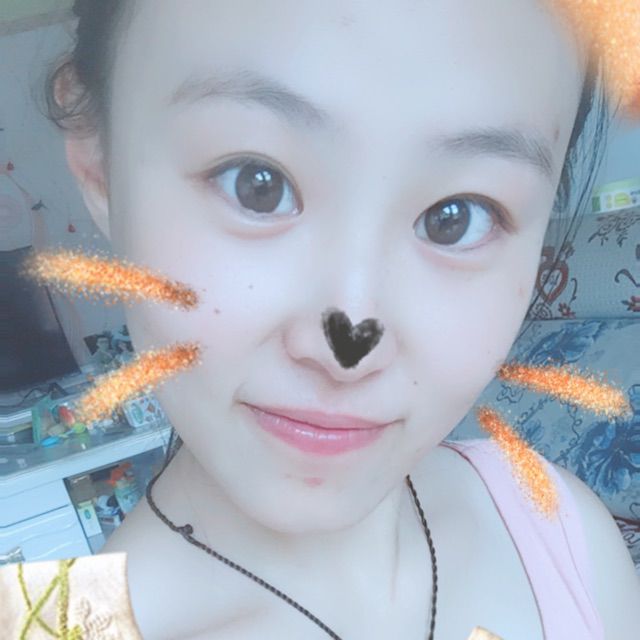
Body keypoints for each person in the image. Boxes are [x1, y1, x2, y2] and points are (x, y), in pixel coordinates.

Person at [44, 0, 639, 638]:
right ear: (98, 162)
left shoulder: (558, 527)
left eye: (456, 218)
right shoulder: (47, 625)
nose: (348, 347)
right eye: (257, 184)